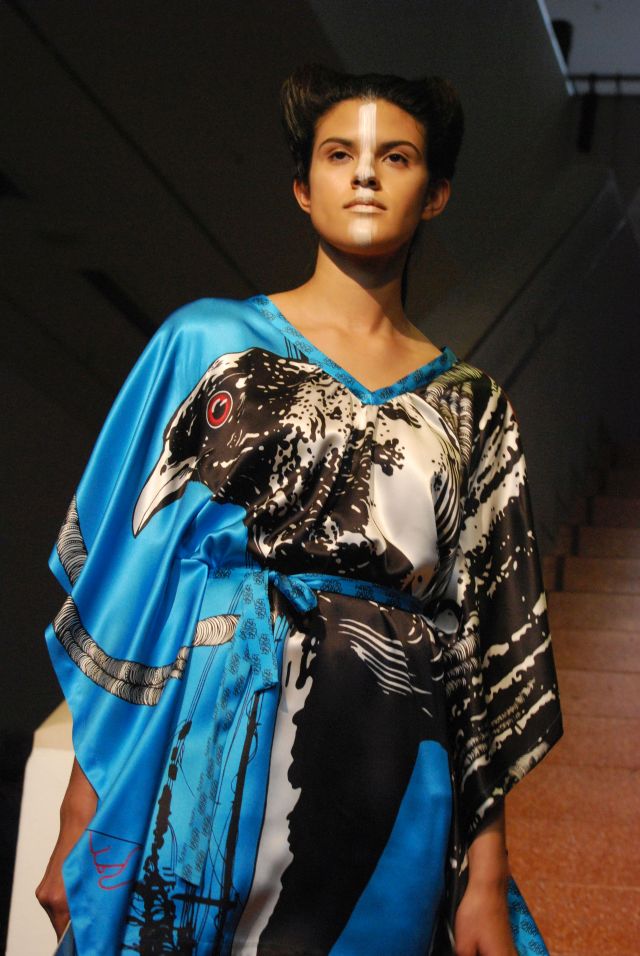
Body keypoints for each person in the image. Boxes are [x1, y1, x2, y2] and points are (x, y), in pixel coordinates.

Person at [36, 64, 562, 955]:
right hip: (203, 739)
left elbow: (480, 650)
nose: (365, 176)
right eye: (339, 154)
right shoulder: (205, 341)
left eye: (396, 158)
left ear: (435, 194)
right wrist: (81, 818)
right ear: (302, 187)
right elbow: (132, 591)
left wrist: (485, 875)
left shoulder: (473, 408)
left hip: (392, 763)